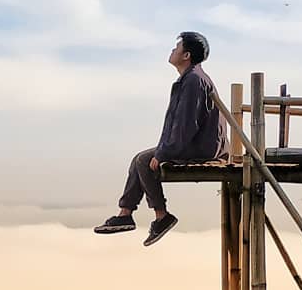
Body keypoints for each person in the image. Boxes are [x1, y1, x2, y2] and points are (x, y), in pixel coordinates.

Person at [94, 32, 229, 246]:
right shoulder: (190, 78)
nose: (172, 51)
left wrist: (164, 152)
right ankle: (125, 213)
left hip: (202, 147)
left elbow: (185, 124)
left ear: (186, 55)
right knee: (140, 158)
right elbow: (176, 124)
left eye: (176, 48)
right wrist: (162, 150)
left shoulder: (193, 80)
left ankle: (161, 216)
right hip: (198, 142)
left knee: (143, 162)